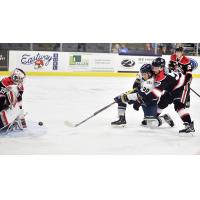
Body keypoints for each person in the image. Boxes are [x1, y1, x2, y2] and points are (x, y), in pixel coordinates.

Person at [111, 63, 174, 128]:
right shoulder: (143, 74)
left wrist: (125, 97)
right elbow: (135, 86)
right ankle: (121, 119)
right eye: (142, 74)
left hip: (150, 101)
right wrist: (137, 83)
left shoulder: (151, 82)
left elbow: (140, 95)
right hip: (140, 95)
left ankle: (164, 118)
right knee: (121, 98)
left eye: (144, 74)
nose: (143, 76)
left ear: (150, 74)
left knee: (151, 124)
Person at [152, 57, 195, 133]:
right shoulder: (158, 72)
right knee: (162, 103)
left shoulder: (167, 76)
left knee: (179, 106)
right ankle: (158, 117)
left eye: (155, 67)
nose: (153, 69)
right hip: (171, 88)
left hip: (181, 88)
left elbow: (158, 90)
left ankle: (189, 125)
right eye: (153, 67)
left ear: (161, 68)